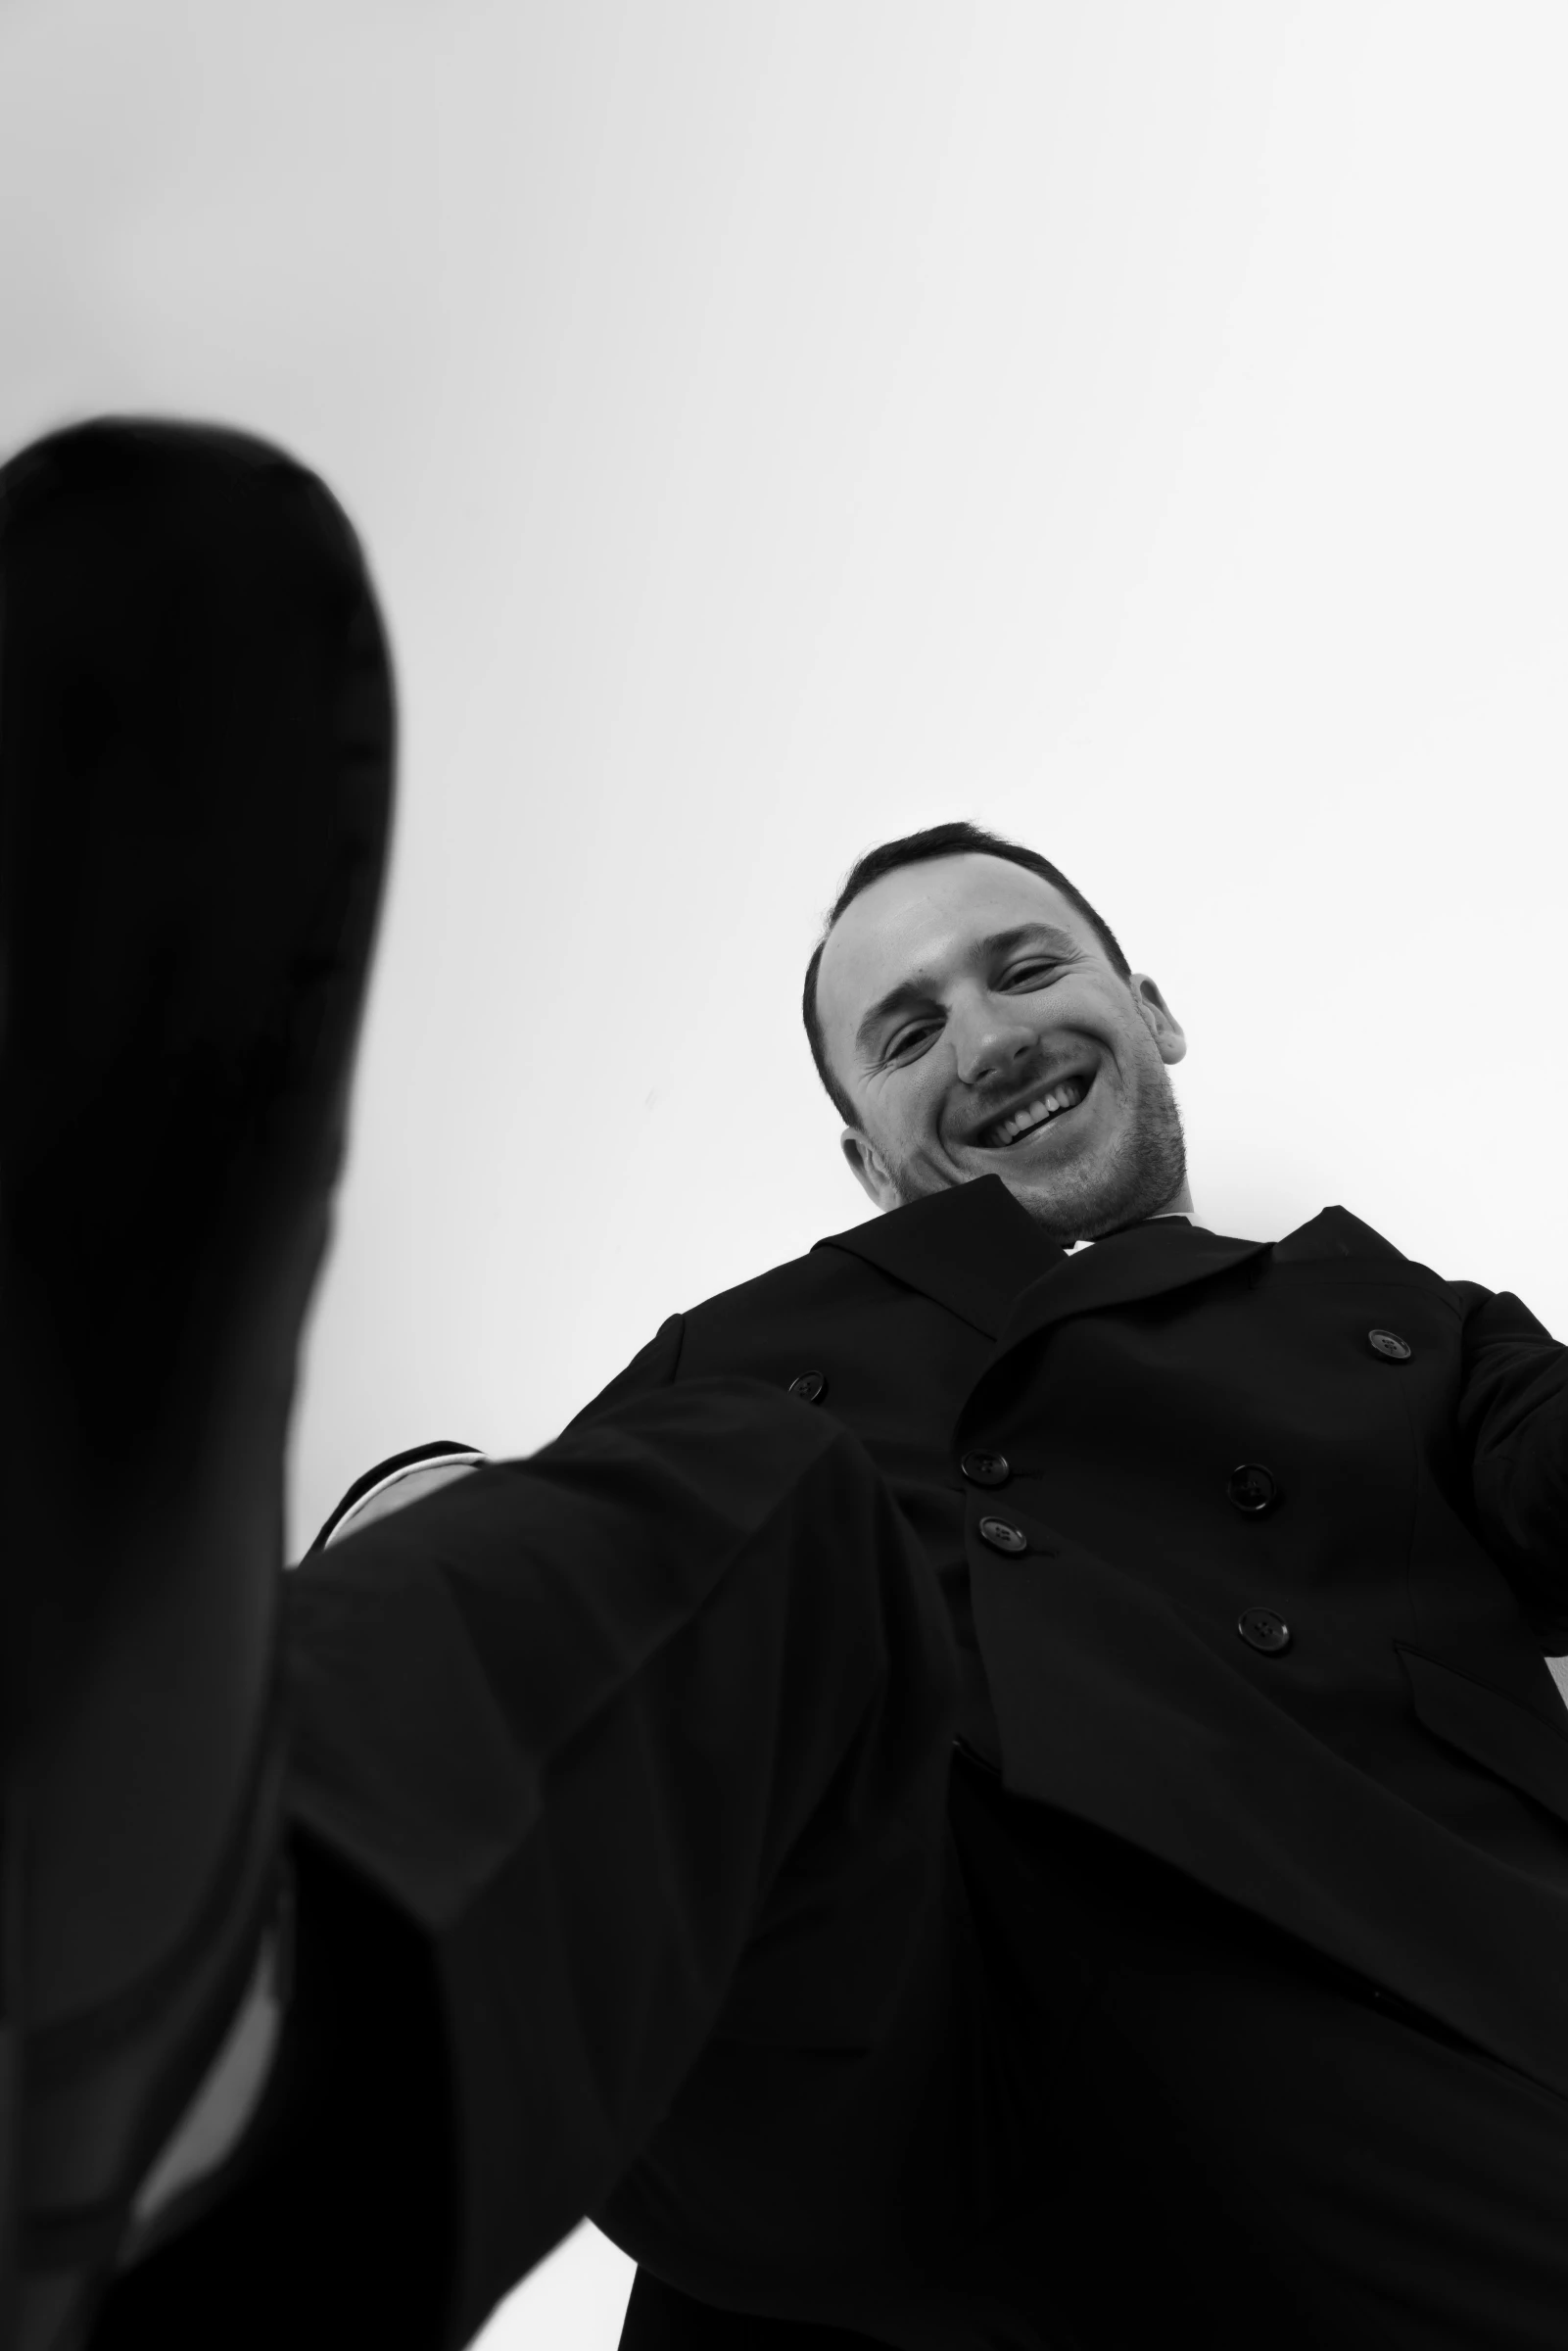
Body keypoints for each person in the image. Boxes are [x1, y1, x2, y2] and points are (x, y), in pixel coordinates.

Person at [6, 420, 1568, 2351]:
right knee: (709, 1510)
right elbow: (552, 1644)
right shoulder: (748, 1372)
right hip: (886, 2075)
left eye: (1023, 969)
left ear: (1150, 1007)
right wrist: (402, 1517)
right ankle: (215, 2084)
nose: (985, 1040)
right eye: (906, 1034)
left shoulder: (1389, 1315)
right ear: (865, 1157)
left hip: (1401, 2048)